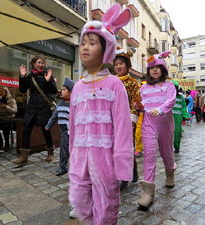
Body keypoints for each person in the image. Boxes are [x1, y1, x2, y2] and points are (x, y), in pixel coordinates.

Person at [68, 4, 132, 224]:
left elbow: (123, 126)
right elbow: (73, 126)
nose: (85, 47)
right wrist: (72, 156)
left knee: (106, 207)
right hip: (80, 157)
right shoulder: (77, 87)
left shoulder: (114, 85)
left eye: (92, 43)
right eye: (83, 42)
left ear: (106, 50)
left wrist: (123, 165)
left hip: (106, 158)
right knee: (79, 202)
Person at [137, 51, 176, 209]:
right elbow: (144, 106)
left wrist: (160, 109)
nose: (154, 70)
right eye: (151, 68)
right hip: (148, 125)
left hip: (165, 124)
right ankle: (148, 192)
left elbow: (171, 100)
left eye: (158, 67)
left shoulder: (169, 85)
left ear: (163, 69)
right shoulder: (143, 87)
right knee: (149, 154)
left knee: (167, 153)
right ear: (148, 71)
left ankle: (170, 173)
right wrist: (138, 108)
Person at [13, 56, 58, 165]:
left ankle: (50, 152)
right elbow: (22, 89)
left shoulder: (47, 75)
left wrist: (49, 81)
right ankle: (24, 157)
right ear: (33, 64)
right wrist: (22, 77)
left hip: (44, 107)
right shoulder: (30, 77)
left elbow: (54, 90)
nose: (41, 64)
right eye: (39, 62)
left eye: (43, 63)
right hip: (32, 107)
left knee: (46, 131)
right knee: (26, 130)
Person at [114, 47, 140, 189]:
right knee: (116, 149)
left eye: (121, 64)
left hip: (128, 119)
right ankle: (122, 174)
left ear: (127, 65)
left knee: (127, 148)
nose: (118, 66)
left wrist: (131, 120)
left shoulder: (133, 83)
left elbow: (136, 102)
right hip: (114, 119)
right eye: (116, 64)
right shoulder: (111, 81)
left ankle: (130, 171)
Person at [45, 77, 74, 176]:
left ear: (70, 92)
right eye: (62, 89)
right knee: (65, 150)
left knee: (66, 150)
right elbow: (54, 116)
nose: (62, 91)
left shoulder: (74, 104)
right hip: (63, 132)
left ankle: (64, 167)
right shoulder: (59, 103)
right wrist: (48, 125)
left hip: (71, 131)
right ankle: (64, 167)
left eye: (64, 89)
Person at [0, 87, 17, 151]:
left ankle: (7, 143)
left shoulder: (11, 100)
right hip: (0, 118)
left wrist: (5, 107)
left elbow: (15, 110)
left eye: (2, 92)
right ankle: (0, 142)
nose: (0, 93)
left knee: (5, 127)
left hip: (9, 119)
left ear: (6, 92)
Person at [172, 81, 190, 153]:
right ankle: (167, 147)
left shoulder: (181, 97)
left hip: (177, 117)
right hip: (168, 117)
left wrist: (186, 115)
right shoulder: (167, 97)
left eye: (175, 88)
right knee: (167, 133)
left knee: (177, 132)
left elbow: (183, 107)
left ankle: (176, 147)